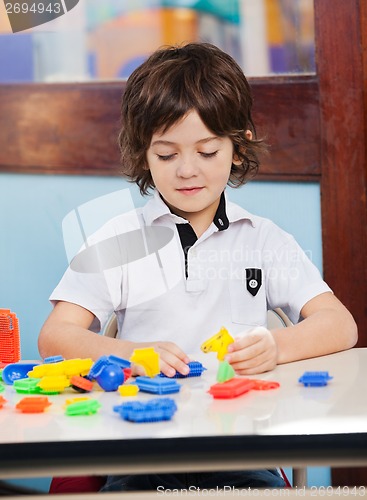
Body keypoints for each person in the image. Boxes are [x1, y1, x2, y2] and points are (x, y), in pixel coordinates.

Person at [39, 43, 357, 492]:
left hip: (240, 445)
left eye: (207, 152)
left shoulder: (262, 238)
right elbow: (55, 335)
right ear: (143, 154)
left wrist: (275, 346)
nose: (187, 170)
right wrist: (132, 354)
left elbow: (340, 324)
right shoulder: (119, 237)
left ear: (238, 147)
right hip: (141, 446)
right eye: (166, 155)